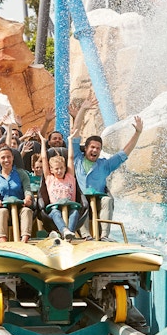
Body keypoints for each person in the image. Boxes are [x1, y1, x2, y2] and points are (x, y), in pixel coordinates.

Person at [72, 97, 143, 238]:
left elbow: (124, 153)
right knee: (82, 201)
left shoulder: (104, 165)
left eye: (98, 148)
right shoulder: (77, 159)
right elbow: (75, 131)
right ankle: (85, 235)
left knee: (108, 200)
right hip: (80, 201)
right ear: (85, 148)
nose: (95, 150)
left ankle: (104, 236)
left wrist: (137, 133)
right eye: (92, 147)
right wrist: (82, 109)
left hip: (97, 202)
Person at [0, 145, 34, 243]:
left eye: (8, 157)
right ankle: (3, 242)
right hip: (2, 206)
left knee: (26, 211)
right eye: (3, 157)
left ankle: (24, 242)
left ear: (13, 158)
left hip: (20, 205)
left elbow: (27, 189)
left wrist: (28, 198)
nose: (6, 160)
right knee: (2, 212)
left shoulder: (21, 173)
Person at [38, 130, 79, 239]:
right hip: (54, 209)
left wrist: (70, 140)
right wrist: (43, 142)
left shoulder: (70, 177)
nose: (59, 171)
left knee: (75, 212)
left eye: (61, 168)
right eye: (57, 169)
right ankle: (64, 231)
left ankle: (69, 233)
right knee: (56, 213)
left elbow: (70, 158)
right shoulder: (50, 178)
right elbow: (43, 158)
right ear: (51, 170)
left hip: (70, 207)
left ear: (65, 168)